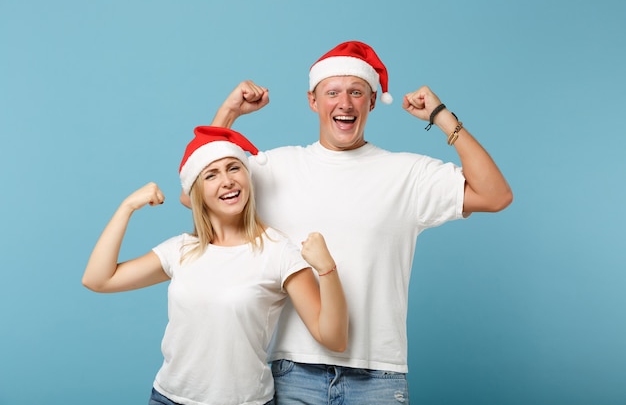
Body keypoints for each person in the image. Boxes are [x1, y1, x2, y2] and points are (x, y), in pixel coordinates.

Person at [189, 40, 513, 404]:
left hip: (378, 375)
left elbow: (495, 195)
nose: (345, 103)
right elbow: (197, 193)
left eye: (356, 92)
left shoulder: (406, 173)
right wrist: (228, 113)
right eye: (333, 92)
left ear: (372, 102)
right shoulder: (276, 167)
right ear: (313, 101)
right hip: (294, 370)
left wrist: (441, 116)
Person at [82, 127, 348, 405]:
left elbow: (334, 338)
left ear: (247, 175)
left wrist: (327, 269)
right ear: (197, 191)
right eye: (211, 174)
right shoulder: (182, 250)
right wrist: (126, 207)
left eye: (234, 168)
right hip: (168, 399)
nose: (227, 181)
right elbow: (98, 280)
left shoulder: (278, 251)